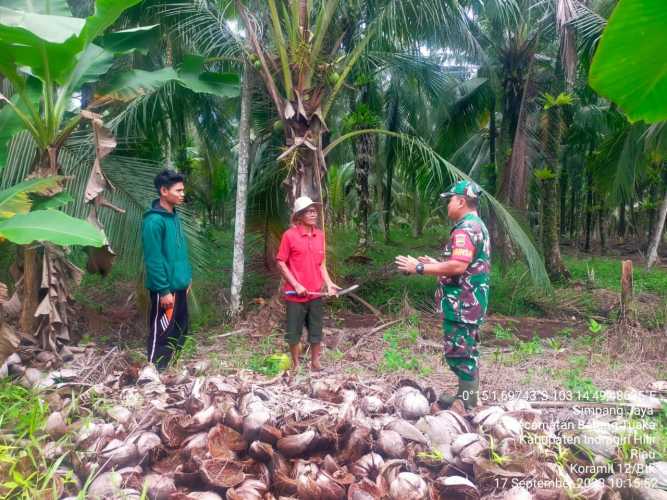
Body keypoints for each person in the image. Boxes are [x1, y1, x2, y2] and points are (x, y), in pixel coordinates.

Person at [395, 180, 490, 409]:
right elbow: (465, 265)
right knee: (466, 351)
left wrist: (418, 268)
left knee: (460, 354)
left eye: (449, 200)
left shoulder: (465, 229)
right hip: (470, 302)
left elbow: (458, 266)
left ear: (460, 201)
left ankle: (467, 403)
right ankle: (465, 397)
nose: (447, 205)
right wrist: (438, 264)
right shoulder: (477, 225)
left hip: (462, 304)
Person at [276, 196, 341, 371]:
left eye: (315, 211)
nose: (314, 214)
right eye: (309, 211)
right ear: (299, 215)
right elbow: (281, 262)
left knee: (316, 330)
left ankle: (315, 362)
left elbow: (321, 264)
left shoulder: (320, 235)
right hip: (294, 295)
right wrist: (296, 285)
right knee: (293, 333)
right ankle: (296, 364)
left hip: (315, 293)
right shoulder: (289, 236)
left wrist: (329, 283)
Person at [142, 170, 192, 370]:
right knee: (162, 332)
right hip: (165, 291)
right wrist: (163, 290)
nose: (182, 194)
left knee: (180, 329)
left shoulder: (174, 217)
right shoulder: (154, 222)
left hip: (179, 286)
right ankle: (155, 371)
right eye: (178, 190)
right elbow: (153, 259)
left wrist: (186, 278)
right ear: (163, 191)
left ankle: (171, 368)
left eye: (182, 190)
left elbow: (179, 253)